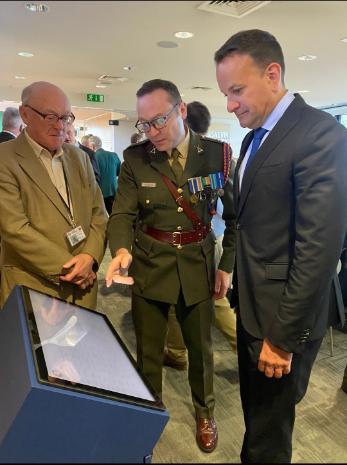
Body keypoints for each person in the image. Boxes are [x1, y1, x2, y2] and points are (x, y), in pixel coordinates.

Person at [214, 29, 347, 463]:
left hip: (282, 322)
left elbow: (319, 249)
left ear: (272, 74)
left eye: (236, 90)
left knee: (268, 439)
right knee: (258, 423)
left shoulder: (319, 134)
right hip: (253, 309)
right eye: (225, 94)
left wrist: (283, 338)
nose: (230, 104)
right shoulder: (255, 137)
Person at [105, 79, 235, 453]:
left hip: (197, 263)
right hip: (149, 263)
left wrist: (226, 264)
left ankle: (205, 412)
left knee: (201, 350)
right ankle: (150, 408)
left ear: (181, 109)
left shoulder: (218, 154)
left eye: (158, 120)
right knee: (149, 350)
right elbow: (122, 213)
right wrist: (121, 251)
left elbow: (238, 218)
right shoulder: (135, 158)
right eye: (144, 124)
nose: (151, 131)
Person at [0, 81, 108, 310]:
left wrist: (89, 257)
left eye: (66, 117)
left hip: (84, 287)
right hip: (35, 286)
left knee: (82, 344)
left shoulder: (79, 158)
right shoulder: (5, 159)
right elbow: (15, 229)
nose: (60, 126)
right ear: (25, 114)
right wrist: (74, 270)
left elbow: (99, 214)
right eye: (50, 117)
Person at [164, 101, 237, 370]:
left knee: (211, 300)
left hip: (200, 242)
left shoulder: (214, 157)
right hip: (207, 239)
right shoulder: (217, 156)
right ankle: (178, 351)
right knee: (209, 299)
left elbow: (232, 213)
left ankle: (178, 351)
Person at [89, 135, 121, 215]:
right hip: (114, 193)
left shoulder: (92, 157)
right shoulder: (114, 155)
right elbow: (119, 172)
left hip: (99, 195)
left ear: (92, 146)